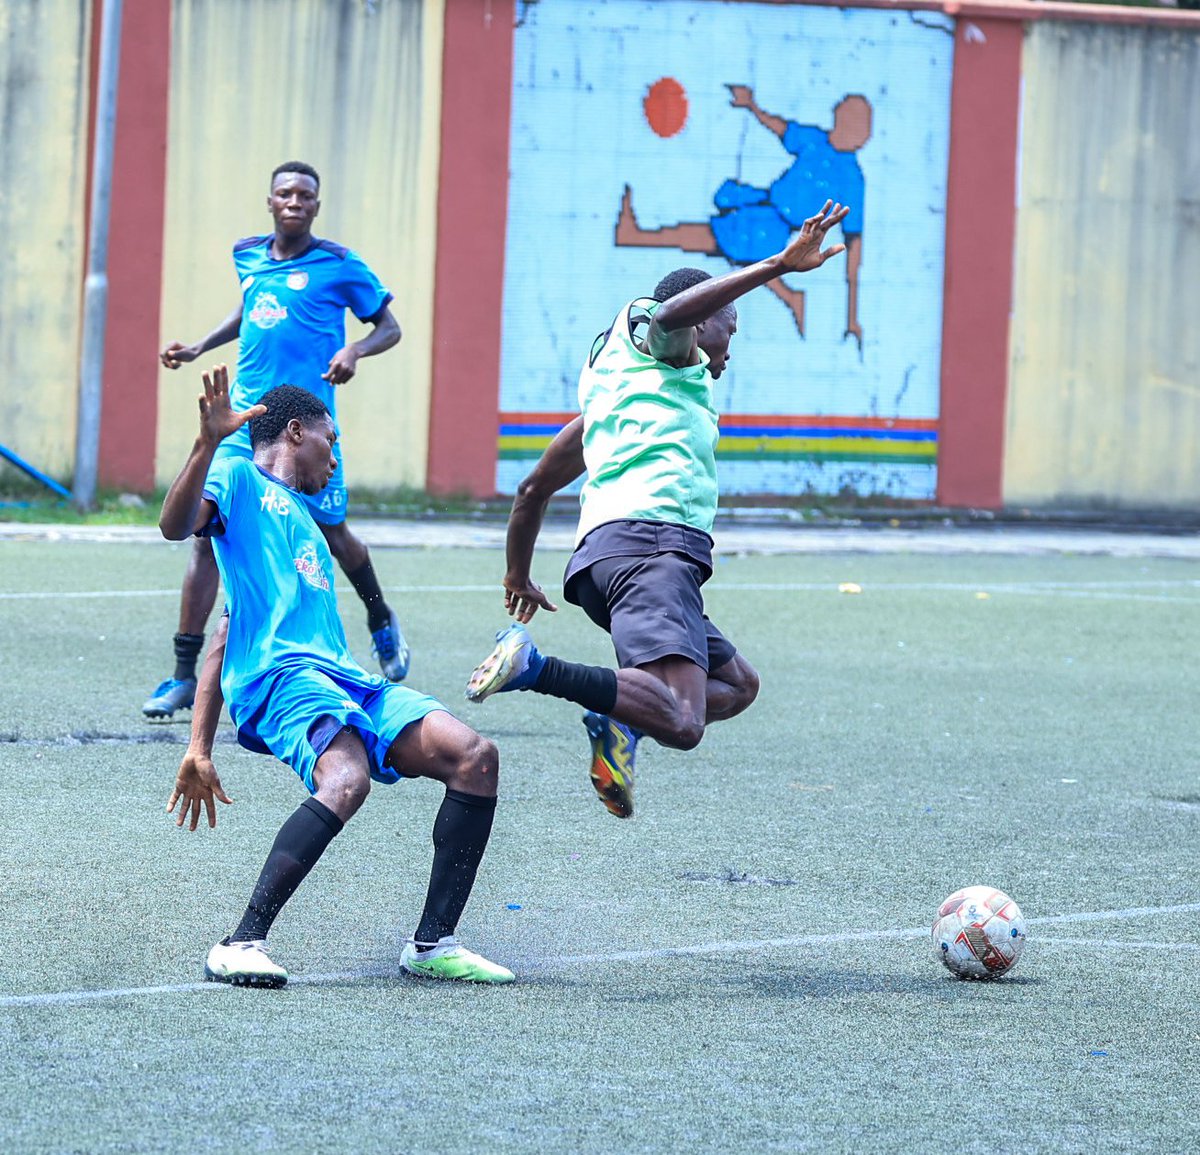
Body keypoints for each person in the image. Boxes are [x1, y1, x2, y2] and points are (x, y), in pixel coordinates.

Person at [465, 200, 850, 820]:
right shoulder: (665, 342)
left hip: (609, 563)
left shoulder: (621, 399)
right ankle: (535, 668)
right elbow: (673, 311)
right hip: (650, 550)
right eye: (731, 325)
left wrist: (516, 574)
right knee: (685, 722)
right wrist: (778, 264)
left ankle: (620, 725)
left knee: (738, 687)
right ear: (705, 323)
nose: (731, 346)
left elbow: (532, 490)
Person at [160, 368, 512, 987]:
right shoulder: (238, 476)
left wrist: (198, 748)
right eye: (332, 439)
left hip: (344, 679)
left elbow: (224, 630)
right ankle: (239, 943)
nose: (336, 455)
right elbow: (174, 525)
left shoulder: (306, 522)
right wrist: (206, 444)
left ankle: (432, 945)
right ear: (296, 432)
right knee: (346, 777)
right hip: (281, 676)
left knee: (475, 757)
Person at [145, 160, 410, 720]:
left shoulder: (340, 264)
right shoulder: (247, 254)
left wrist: (354, 351)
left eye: (305, 195)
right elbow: (250, 311)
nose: (294, 201)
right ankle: (181, 675)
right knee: (204, 534)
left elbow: (389, 327)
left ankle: (380, 618)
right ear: (270, 202)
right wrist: (198, 347)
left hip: (302, 429)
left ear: (317, 205)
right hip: (242, 425)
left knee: (332, 535)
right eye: (284, 193)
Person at [616, 88, 869, 347]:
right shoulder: (815, 140)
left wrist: (852, 317)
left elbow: (854, 246)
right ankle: (791, 297)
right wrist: (752, 106)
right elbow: (782, 128)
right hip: (760, 205)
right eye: (857, 118)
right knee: (718, 239)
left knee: (716, 238)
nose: (863, 131)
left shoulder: (852, 178)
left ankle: (638, 235)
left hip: (770, 225)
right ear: (840, 117)